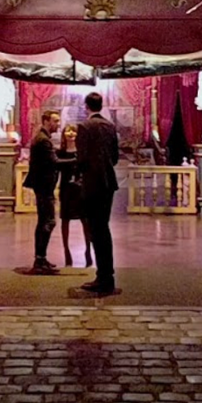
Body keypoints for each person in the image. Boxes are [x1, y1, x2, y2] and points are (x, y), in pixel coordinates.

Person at [74, 91, 120, 295]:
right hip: (108, 184)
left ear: (86, 106)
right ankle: (106, 275)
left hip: (92, 184)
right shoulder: (110, 126)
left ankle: (103, 279)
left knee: (96, 231)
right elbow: (116, 157)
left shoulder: (84, 127)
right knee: (104, 229)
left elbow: (81, 159)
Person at [23, 109, 61, 275]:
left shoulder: (43, 138)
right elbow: (54, 162)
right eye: (55, 121)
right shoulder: (43, 140)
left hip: (44, 186)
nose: (58, 124)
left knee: (44, 222)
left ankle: (41, 258)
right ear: (46, 121)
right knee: (48, 222)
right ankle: (39, 260)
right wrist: (78, 160)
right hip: (44, 187)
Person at [55, 123, 91, 268]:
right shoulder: (60, 152)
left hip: (81, 189)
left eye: (74, 131)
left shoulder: (83, 151)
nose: (71, 134)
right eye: (68, 131)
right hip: (66, 189)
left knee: (85, 221)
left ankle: (88, 251)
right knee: (65, 220)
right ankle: (66, 252)